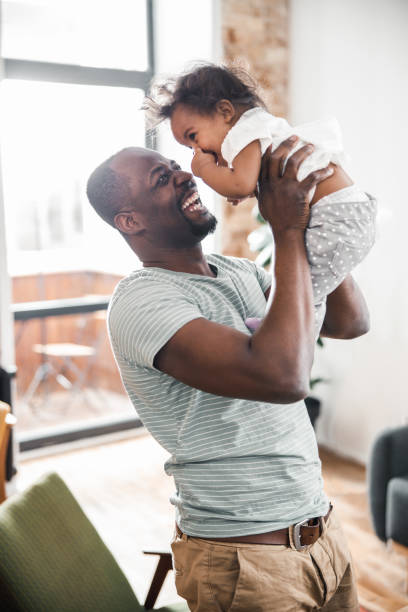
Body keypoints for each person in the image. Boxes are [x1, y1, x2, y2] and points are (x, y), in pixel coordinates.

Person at [86, 139, 368, 611]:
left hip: (323, 536)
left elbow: (348, 321)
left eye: (176, 166)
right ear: (130, 221)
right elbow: (283, 378)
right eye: (162, 178)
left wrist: (317, 215)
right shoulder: (141, 301)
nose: (185, 175)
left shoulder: (240, 273)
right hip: (246, 561)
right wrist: (287, 229)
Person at [144, 63, 377, 334]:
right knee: (306, 290)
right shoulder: (257, 129)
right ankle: (284, 335)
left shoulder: (244, 134)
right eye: (189, 147)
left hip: (336, 217)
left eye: (193, 137)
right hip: (346, 212)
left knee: (303, 294)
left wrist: (206, 170)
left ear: (225, 111)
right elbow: (250, 182)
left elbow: (240, 184)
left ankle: (280, 339)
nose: (197, 151)